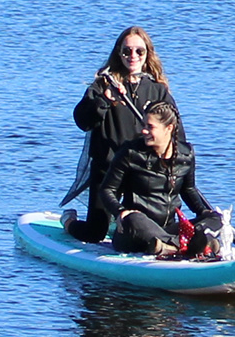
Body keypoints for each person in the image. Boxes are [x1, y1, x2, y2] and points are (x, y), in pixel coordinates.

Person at [70, 25, 180, 242]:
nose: (133, 56)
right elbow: (82, 121)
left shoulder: (157, 90)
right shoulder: (103, 84)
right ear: (119, 53)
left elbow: (176, 132)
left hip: (144, 171)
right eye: (127, 50)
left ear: (147, 54)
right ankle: (69, 221)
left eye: (139, 51)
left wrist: (178, 163)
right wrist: (105, 100)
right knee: (95, 233)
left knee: (154, 228)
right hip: (108, 169)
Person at [94, 101, 227, 259]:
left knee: (216, 218)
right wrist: (120, 211)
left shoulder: (186, 154)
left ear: (169, 128)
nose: (144, 131)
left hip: (166, 230)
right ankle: (192, 246)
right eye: (144, 125)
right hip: (134, 232)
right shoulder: (130, 152)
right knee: (134, 218)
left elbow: (188, 189)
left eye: (150, 127)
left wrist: (202, 212)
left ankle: (172, 246)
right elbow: (107, 190)